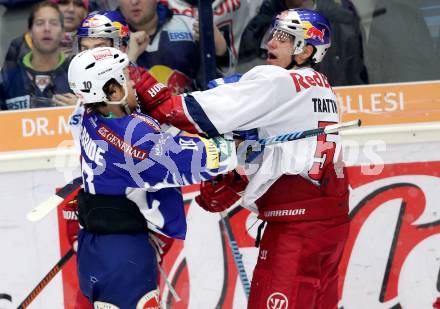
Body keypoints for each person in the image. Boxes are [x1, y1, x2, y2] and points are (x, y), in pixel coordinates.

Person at [132, 8, 350, 308]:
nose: (271, 43)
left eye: (284, 38)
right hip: (330, 229)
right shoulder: (322, 86)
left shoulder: (276, 82)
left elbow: (179, 112)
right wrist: (235, 172)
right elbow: (272, 147)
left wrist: (135, 74)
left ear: (307, 49)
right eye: (273, 34)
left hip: (295, 235)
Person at [67, 46, 236, 308]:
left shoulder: (88, 115)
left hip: (96, 248)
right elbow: (204, 159)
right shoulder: (134, 137)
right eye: (125, 76)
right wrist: (240, 139)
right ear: (111, 91)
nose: (133, 82)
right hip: (123, 257)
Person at [238, 0, 368, 86]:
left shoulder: (341, 20)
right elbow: (244, 58)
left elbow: (355, 77)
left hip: (333, 106)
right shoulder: (267, 18)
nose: (272, 43)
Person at [0, 1, 75, 110]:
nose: (47, 29)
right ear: (29, 32)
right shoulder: (7, 78)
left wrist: (82, 109)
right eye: (40, 23)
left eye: (54, 23)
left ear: (63, 32)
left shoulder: (76, 75)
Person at [3, 0, 88, 67]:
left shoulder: (95, 44)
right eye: (63, 2)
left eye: (78, 4)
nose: (71, 9)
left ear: (85, 12)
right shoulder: (20, 45)